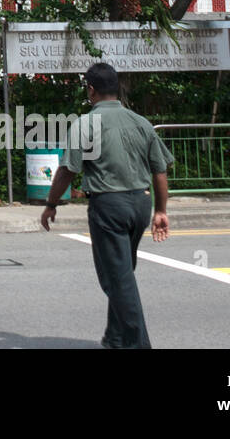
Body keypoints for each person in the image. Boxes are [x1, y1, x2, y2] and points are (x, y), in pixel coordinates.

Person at [40, 62, 173, 349]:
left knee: (118, 280)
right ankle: (115, 338)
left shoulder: (86, 124)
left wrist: (51, 204)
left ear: (91, 90)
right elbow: (159, 170)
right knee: (122, 273)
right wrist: (161, 211)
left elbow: (67, 171)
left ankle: (138, 344)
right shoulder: (141, 122)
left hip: (108, 207)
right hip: (141, 204)